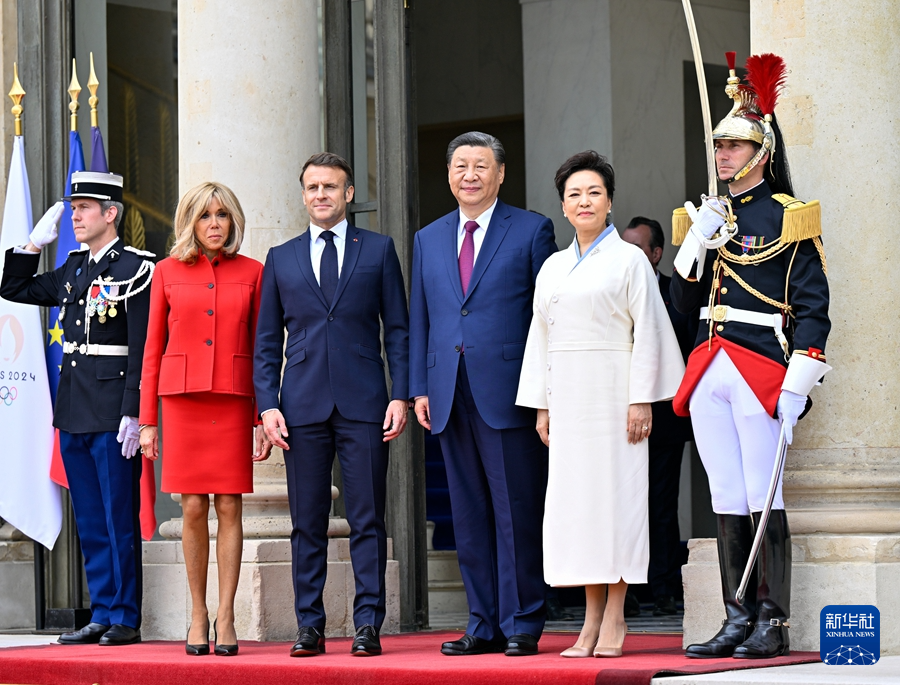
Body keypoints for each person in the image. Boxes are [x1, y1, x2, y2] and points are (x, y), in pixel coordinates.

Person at [669, 53, 830, 659]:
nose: (723, 154)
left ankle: (772, 620)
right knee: (726, 497)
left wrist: (799, 379)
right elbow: (681, 305)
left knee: (765, 495)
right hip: (709, 364)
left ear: (761, 152)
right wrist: (698, 239)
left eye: (734, 145)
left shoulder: (788, 215)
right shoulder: (705, 217)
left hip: (761, 364)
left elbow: (812, 305)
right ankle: (736, 618)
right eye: (719, 146)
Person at [517, 151, 684, 658]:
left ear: (610, 202)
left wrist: (641, 400)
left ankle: (615, 616)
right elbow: (540, 338)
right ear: (563, 207)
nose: (584, 201)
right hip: (569, 401)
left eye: (594, 192)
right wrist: (542, 406)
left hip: (616, 399)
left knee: (619, 505)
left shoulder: (630, 260)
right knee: (580, 509)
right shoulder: (552, 266)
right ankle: (589, 619)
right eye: (574, 194)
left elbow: (649, 331)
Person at [254, 152, 409, 658]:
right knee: (307, 522)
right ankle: (310, 626)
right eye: (313, 187)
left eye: (331, 186)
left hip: (365, 403)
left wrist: (400, 394)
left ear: (348, 194)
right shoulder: (281, 257)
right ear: (304, 195)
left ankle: (367, 624)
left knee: (368, 519)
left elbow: (398, 330)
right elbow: (265, 342)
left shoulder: (379, 250)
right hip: (300, 408)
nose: (321, 194)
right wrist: (267, 406)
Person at [410, 131, 557, 657]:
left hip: (510, 390)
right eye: (460, 166)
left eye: (480, 165)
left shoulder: (532, 229)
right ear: (450, 175)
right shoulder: (427, 238)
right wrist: (418, 387)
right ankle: (482, 621)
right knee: (468, 513)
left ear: (500, 174)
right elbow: (421, 317)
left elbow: (547, 316)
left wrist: (545, 389)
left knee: (516, 510)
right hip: (448, 390)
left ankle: (522, 621)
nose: (469, 175)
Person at [1, 171, 153, 646]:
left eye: (84, 207)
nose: (75, 216)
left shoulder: (138, 269)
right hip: (73, 409)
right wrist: (31, 245)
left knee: (117, 517)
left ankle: (125, 616)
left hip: (113, 411)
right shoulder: (73, 268)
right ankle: (101, 611)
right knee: (89, 518)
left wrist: (135, 410)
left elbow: (142, 346)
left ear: (111, 213)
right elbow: (14, 289)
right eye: (73, 208)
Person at [138, 182, 270, 656]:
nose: (214, 224)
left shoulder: (254, 272)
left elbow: (262, 348)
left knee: (230, 505)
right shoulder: (166, 271)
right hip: (181, 400)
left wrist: (262, 416)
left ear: (233, 221)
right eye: (205, 216)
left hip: (233, 398)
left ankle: (227, 615)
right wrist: (147, 420)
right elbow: (152, 348)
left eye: (222, 215)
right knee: (192, 506)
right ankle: (198, 614)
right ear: (189, 223)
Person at [622, 216, 697, 617]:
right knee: (624, 505)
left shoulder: (675, 293)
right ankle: (626, 590)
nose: (627, 255)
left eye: (637, 248)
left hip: (666, 419)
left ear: (656, 253)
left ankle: (665, 587)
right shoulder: (611, 288)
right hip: (619, 420)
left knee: (662, 505)